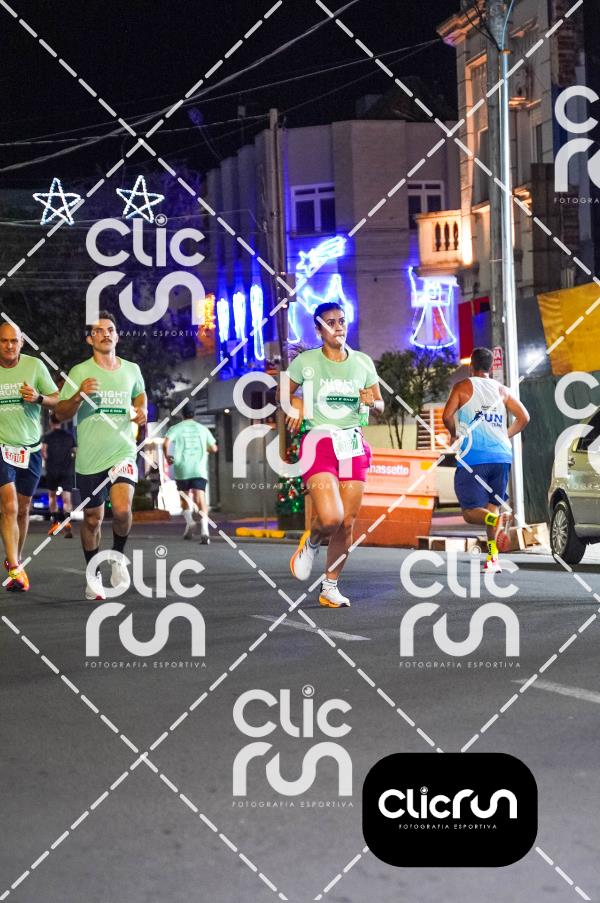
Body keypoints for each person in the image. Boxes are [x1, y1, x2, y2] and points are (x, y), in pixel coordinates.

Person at [284, 301, 384, 608]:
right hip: (319, 441)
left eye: (342, 321)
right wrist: (297, 404)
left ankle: (330, 586)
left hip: (352, 442)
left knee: (347, 522)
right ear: (319, 330)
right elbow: (282, 395)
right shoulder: (306, 362)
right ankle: (312, 541)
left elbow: (379, 405)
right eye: (330, 322)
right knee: (330, 517)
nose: (338, 327)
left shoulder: (363, 362)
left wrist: (371, 401)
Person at [55, 311, 147, 600]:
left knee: (121, 509)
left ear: (117, 336)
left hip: (123, 452)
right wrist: (78, 395)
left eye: (110, 330)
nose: (106, 334)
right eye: (99, 331)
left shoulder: (132, 369)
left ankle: (117, 558)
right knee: (93, 519)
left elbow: (140, 394)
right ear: (90, 339)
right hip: (91, 458)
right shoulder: (79, 372)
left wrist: (142, 409)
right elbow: (60, 412)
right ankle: (92, 574)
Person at [442, 346, 530, 573]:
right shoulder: (503, 390)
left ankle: (495, 522)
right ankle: (492, 559)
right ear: (490, 367)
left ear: (471, 366)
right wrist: (504, 435)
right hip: (501, 457)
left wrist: (454, 433)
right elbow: (524, 417)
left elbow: (446, 416)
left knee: (471, 512)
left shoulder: (462, 386)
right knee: (492, 508)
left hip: (474, 457)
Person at [0, 322, 59, 591]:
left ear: (21, 342)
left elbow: (57, 399)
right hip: (2, 448)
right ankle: (14, 567)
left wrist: (38, 398)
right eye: (4, 341)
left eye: (14, 341)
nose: (9, 345)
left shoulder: (35, 366)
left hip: (30, 450)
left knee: (23, 509)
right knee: (9, 506)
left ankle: (17, 559)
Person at [164, 404, 218, 543]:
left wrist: (167, 457)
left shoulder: (176, 428)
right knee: (200, 499)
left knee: (184, 498)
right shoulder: (203, 429)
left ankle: (190, 522)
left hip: (182, 469)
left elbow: (166, 443)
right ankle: (205, 531)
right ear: (194, 414)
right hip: (199, 469)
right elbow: (214, 448)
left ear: (182, 415)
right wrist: (204, 449)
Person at [42, 414, 76, 538]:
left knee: (52, 496)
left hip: (52, 470)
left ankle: (55, 524)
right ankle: (67, 523)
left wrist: (49, 461)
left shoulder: (47, 437)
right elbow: (75, 451)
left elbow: (43, 452)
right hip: (66, 471)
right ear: (61, 422)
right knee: (67, 498)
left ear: (50, 422)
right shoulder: (69, 436)